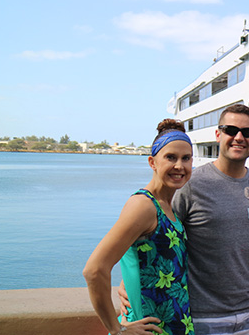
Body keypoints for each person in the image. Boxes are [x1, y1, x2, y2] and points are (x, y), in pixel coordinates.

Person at [120, 104, 249, 335]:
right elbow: (153, 238)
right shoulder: (189, 185)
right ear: (218, 134)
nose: (239, 137)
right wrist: (127, 283)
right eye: (231, 130)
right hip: (202, 315)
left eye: (248, 132)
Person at [84, 119, 194, 335]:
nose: (179, 166)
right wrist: (117, 330)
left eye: (186, 158)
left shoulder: (167, 208)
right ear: (152, 162)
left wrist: (128, 279)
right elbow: (94, 270)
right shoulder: (143, 205)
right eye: (170, 157)